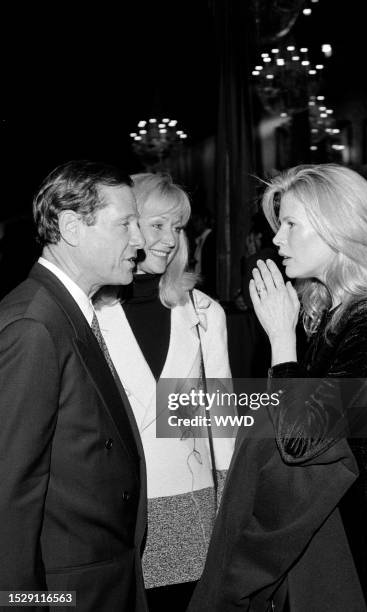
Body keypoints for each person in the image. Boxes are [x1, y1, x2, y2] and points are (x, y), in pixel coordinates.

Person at [188, 163, 367, 612]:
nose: (276, 239)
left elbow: (302, 440)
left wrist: (282, 342)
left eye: (290, 224)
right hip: (338, 533)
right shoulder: (335, 310)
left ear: (337, 229)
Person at [0, 160, 148, 612]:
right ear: (71, 227)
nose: (140, 240)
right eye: (125, 223)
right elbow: (9, 494)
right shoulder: (34, 325)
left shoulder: (64, 312)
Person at [95, 173, 235, 612]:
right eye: (158, 225)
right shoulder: (89, 313)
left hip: (191, 514)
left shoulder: (203, 310)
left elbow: (221, 417)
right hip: (112, 518)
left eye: (177, 228)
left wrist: (229, 508)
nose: (170, 240)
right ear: (129, 225)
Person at [189, 206, 217, 298]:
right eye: (193, 221)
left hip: (209, 288)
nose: (194, 224)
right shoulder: (199, 240)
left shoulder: (212, 238)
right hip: (199, 286)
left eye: (197, 220)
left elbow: (211, 267)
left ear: (205, 219)